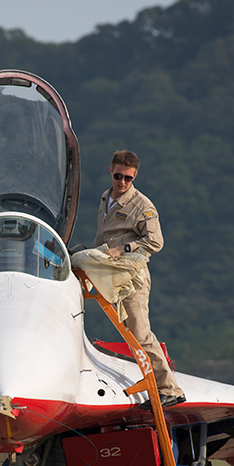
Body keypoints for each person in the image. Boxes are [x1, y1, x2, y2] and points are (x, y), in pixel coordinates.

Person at [93, 150, 185, 408]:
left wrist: (123, 249)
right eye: (118, 176)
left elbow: (156, 241)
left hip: (132, 276)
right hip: (112, 273)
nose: (122, 182)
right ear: (111, 171)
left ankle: (170, 389)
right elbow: (102, 237)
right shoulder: (105, 197)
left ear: (135, 178)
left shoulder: (142, 205)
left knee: (141, 334)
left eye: (128, 179)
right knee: (131, 332)